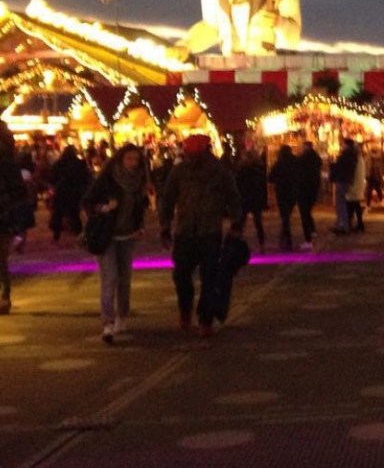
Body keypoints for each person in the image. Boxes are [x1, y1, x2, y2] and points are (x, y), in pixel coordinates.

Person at [158, 134, 243, 338]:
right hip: (185, 231)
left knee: (209, 278)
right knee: (181, 276)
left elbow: (234, 197)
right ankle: (186, 309)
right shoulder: (180, 171)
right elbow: (168, 199)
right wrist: (165, 226)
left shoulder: (219, 171)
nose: (192, 155)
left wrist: (236, 223)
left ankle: (205, 319)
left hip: (210, 231)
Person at [82, 144, 150, 344]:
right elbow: (87, 202)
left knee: (125, 279)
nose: (132, 163)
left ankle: (122, 315)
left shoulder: (138, 182)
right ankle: (107, 323)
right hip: (106, 236)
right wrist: (105, 207)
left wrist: (141, 227)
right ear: (120, 159)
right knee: (109, 278)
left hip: (128, 236)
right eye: (129, 158)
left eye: (136, 160)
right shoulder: (108, 179)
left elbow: (140, 208)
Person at [0, 124, 28, 314]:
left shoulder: (6, 163)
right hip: (6, 215)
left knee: (1, 257)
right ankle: (4, 294)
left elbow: (19, 192)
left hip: (3, 215)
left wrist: (6, 203)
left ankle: (4, 295)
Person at [48, 144, 91, 242]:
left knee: (58, 213)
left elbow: (52, 177)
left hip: (61, 191)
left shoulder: (59, 164)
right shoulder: (80, 164)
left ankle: (56, 232)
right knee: (75, 213)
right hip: (75, 191)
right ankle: (78, 233)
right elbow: (86, 178)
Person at [235, 146, 268, 253]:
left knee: (241, 222)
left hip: (244, 198)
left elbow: (237, 184)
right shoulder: (258, 169)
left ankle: (236, 243)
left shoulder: (241, 169)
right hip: (255, 198)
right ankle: (261, 244)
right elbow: (262, 185)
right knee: (258, 222)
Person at [268, 144, 298, 252]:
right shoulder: (295, 162)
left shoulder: (279, 163)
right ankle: (283, 238)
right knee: (287, 215)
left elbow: (270, 177)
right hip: (293, 192)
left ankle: (287, 240)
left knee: (285, 217)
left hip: (281, 192)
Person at [295, 141, 323, 249]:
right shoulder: (316, 158)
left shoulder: (302, 160)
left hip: (304, 190)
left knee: (304, 214)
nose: (300, 148)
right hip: (313, 189)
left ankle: (308, 240)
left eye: (301, 147)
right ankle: (312, 230)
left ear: (306, 147)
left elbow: (300, 175)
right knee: (307, 211)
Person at [329, 138, 359, 235]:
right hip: (345, 180)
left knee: (340, 204)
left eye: (343, 144)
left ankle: (343, 225)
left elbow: (340, 166)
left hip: (342, 180)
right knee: (341, 203)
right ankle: (341, 224)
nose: (342, 146)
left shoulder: (346, 155)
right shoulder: (352, 155)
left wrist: (333, 165)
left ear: (346, 145)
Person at [346, 143, 367, 233]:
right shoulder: (360, 159)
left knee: (352, 205)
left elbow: (354, 173)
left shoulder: (356, 160)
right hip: (357, 185)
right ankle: (357, 224)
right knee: (354, 205)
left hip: (354, 185)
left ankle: (357, 224)